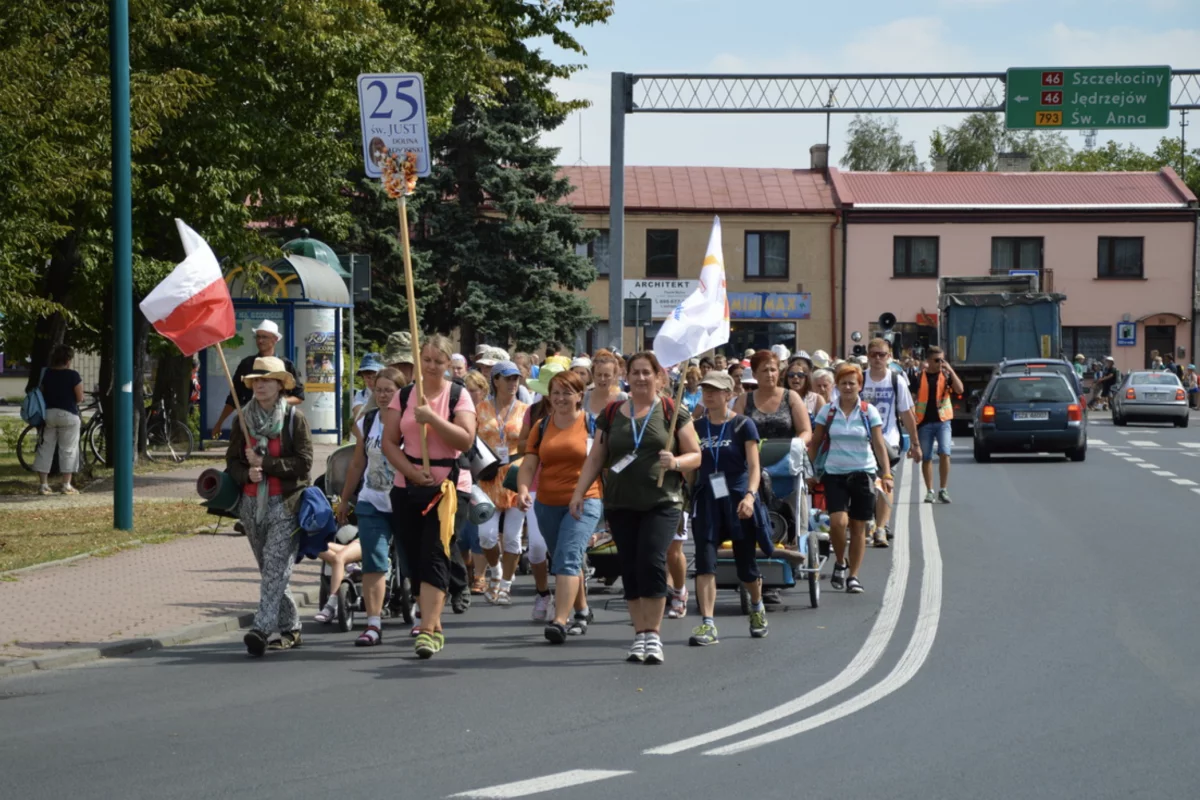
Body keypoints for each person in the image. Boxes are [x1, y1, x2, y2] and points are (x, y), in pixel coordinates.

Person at [570, 352, 701, 664]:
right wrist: (578, 493)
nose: (641, 378)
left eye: (647, 372)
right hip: (620, 502)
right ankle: (639, 634)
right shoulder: (613, 411)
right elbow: (596, 457)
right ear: (626, 375)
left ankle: (653, 635)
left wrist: (677, 462)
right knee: (629, 565)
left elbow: (696, 454)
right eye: (636, 372)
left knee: (652, 560)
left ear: (658, 377)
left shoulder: (672, 410)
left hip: (662, 502)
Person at [381, 335, 477, 659]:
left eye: (439, 361)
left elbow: (465, 440)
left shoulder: (458, 396)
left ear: (448, 364)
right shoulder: (404, 395)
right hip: (407, 484)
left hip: (448, 486)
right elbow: (389, 443)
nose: (432, 366)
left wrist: (433, 419)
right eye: (427, 360)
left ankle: (426, 629)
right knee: (411, 558)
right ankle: (434, 625)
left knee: (435, 552)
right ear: (419, 361)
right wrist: (409, 470)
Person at [225, 356, 314, 655]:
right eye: (255, 381)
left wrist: (267, 463)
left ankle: (261, 629)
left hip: (286, 505)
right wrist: (245, 472)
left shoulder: (293, 418)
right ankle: (292, 629)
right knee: (271, 571)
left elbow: (304, 463)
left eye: (266, 380)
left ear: (280, 385)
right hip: (251, 506)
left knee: (276, 568)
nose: (260, 385)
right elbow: (232, 463)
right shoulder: (242, 418)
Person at [516, 370, 602, 643]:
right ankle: (582, 611)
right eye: (555, 392)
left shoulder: (592, 424)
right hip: (546, 503)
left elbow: (602, 462)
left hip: (585, 499)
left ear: (580, 396)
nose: (561, 398)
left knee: (566, 558)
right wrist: (521, 489)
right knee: (566, 557)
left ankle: (559, 620)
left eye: (567, 392)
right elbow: (529, 463)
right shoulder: (541, 426)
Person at [687, 370, 771, 645]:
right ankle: (708, 624)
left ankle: (757, 607)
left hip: (737, 499)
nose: (708, 394)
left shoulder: (743, 425)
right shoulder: (696, 427)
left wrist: (750, 496)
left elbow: (755, 466)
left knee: (745, 567)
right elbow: (691, 465)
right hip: (708, 500)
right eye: (704, 390)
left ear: (728, 393)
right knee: (705, 563)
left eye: (714, 390)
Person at [326, 368, 402, 630]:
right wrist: (345, 500)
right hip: (372, 499)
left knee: (411, 558)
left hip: (404, 500)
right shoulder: (367, 422)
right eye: (378, 390)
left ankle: (418, 611)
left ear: (400, 393)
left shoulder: (411, 422)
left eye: (388, 391)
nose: (382, 395)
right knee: (375, 558)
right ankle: (373, 623)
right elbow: (358, 464)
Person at [807, 363, 892, 595]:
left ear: (859, 386)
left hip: (864, 473)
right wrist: (809, 471)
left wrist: (886, 473)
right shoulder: (828, 411)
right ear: (837, 386)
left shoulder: (868, 411)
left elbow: (878, 444)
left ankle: (853, 576)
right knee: (838, 522)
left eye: (851, 383)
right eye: (843, 383)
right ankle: (840, 561)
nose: (847, 387)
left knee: (858, 527)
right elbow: (815, 441)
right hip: (835, 473)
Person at [475, 360, 531, 606]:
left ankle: (506, 585)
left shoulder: (525, 410)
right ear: (495, 380)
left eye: (516, 378)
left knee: (512, 538)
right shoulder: (480, 408)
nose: (512, 383)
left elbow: (531, 445)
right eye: (507, 378)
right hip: (487, 475)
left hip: (515, 475)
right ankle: (495, 570)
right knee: (486, 536)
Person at [859, 338, 921, 546]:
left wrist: (915, 443)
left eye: (882, 354)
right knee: (865, 485)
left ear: (889, 357)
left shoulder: (896, 380)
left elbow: (906, 413)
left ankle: (880, 528)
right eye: (874, 354)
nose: (877, 358)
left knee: (885, 482)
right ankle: (869, 521)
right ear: (868, 356)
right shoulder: (860, 379)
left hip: (889, 440)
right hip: (861, 441)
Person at [211, 320, 303, 438]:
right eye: (258, 337)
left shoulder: (286, 365)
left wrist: (277, 402)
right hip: (249, 424)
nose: (260, 341)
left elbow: (299, 397)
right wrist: (219, 423)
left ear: (275, 339)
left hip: (279, 425)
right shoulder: (247, 364)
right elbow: (234, 398)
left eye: (264, 337)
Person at [911, 346, 962, 504]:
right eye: (937, 360)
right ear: (928, 361)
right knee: (926, 457)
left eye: (942, 359)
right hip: (924, 422)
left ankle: (943, 489)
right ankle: (930, 491)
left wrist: (951, 370)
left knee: (945, 453)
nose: (940, 363)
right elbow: (912, 398)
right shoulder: (919, 377)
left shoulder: (946, 375)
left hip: (943, 421)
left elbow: (960, 389)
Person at [33, 344, 84, 496]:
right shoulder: (73, 375)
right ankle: (66, 485)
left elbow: (41, 393)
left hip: (48, 415)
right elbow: (80, 398)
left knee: (45, 448)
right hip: (68, 415)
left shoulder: (47, 374)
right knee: (68, 449)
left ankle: (43, 485)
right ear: (68, 360)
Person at [351, 353, 384, 420]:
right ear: (363, 377)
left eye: (375, 377)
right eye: (368, 377)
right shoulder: (360, 395)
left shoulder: (391, 392)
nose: (371, 381)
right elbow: (358, 418)